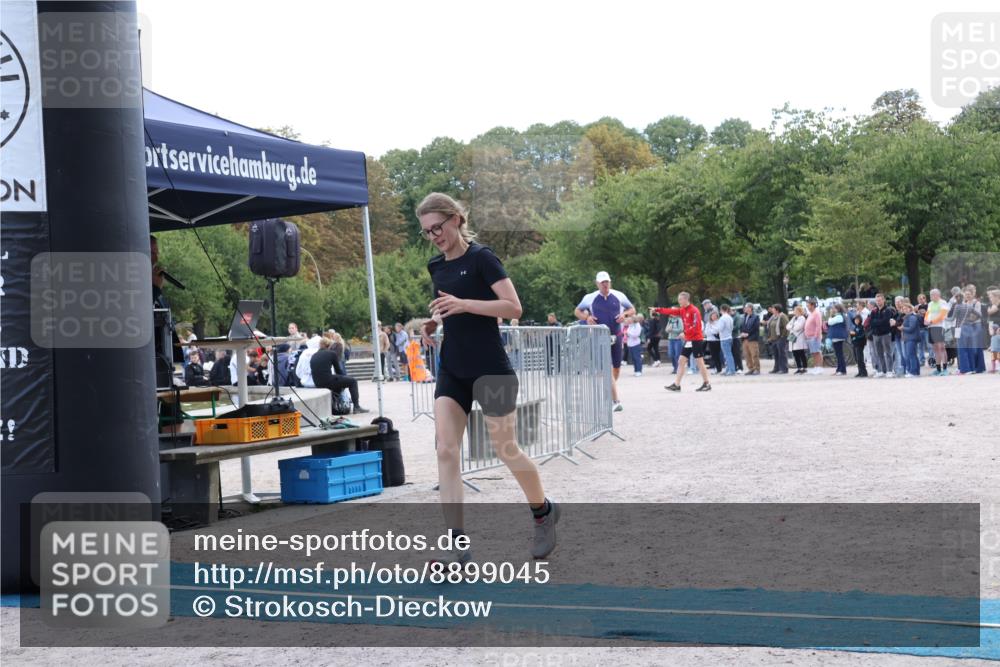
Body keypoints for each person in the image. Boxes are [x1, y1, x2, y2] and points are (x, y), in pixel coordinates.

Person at [418, 192, 558, 564]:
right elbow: (450, 310)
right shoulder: (436, 267)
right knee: (446, 450)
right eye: (427, 232)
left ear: (456, 219)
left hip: (491, 368)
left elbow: (513, 307)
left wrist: (464, 304)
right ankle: (457, 547)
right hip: (453, 368)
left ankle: (543, 512)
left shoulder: (482, 258)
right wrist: (433, 321)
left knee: (506, 449)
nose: (434, 236)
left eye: (438, 227)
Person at [575, 271, 636, 412]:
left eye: (607, 282)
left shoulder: (619, 295)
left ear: (610, 282)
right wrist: (587, 318)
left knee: (616, 368)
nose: (605, 285)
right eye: (602, 282)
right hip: (599, 336)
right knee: (607, 368)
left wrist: (624, 314)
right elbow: (577, 311)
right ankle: (616, 401)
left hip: (617, 335)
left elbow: (632, 309)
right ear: (597, 283)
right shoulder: (589, 298)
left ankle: (609, 391)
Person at [651, 292, 712, 392]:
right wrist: (658, 309)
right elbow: (670, 311)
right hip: (689, 340)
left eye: (680, 299)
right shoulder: (682, 310)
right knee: (681, 361)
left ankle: (706, 383)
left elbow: (697, 326)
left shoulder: (694, 310)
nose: (679, 301)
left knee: (700, 362)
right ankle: (677, 385)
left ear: (686, 299)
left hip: (696, 340)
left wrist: (685, 333)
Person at [311, 337, 368, 414]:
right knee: (353, 381)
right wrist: (345, 378)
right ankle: (356, 407)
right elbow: (338, 371)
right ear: (329, 346)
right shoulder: (331, 354)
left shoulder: (314, 355)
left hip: (317, 382)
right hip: (327, 381)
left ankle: (335, 406)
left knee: (338, 382)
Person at [868, 293, 897, 378]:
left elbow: (885, 321)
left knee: (888, 353)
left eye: (880, 300)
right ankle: (882, 371)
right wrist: (879, 322)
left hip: (885, 334)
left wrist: (877, 322)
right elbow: (871, 322)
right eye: (877, 301)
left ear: (883, 300)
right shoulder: (874, 311)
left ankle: (890, 370)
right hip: (876, 335)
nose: (878, 302)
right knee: (879, 353)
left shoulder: (888, 310)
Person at [924, 288, 950, 376]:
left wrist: (931, 321)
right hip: (931, 327)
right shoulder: (930, 304)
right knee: (935, 349)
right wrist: (925, 320)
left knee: (941, 347)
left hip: (939, 327)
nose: (931, 296)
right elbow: (927, 314)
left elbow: (942, 316)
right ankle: (938, 369)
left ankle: (945, 369)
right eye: (930, 295)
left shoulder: (943, 303)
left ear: (938, 295)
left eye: (933, 294)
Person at [900, 300, 921, 377]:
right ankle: (915, 371)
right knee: (911, 355)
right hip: (907, 339)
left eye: (906, 308)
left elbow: (911, 328)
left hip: (912, 339)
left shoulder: (912, 317)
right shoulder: (906, 317)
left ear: (910, 308)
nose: (904, 310)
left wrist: (903, 328)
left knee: (911, 355)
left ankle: (913, 372)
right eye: (903, 309)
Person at [767, 304, 790, 374]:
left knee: (782, 354)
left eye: (773, 308)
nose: (772, 309)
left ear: (777, 310)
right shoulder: (773, 317)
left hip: (781, 338)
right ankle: (776, 368)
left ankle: (784, 369)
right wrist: (770, 337)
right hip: (774, 339)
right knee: (776, 354)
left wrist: (782, 336)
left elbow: (787, 327)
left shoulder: (782, 316)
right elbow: (771, 327)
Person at [804, 298, 824, 375]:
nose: (807, 307)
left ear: (812, 305)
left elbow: (818, 325)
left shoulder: (816, 313)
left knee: (817, 352)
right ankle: (816, 367)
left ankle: (820, 368)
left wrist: (816, 336)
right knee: (813, 353)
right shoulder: (811, 313)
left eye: (808, 305)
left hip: (814, 337)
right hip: (809, 336)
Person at [739, 304, 761, 375]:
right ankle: (751, 369)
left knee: (754, 354)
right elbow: (742, 326)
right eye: (745, 308)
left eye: (746, 307)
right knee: (747, 355)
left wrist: (748, 333)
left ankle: (756, 369)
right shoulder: (744, 316)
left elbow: (755, 327)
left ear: (750, 308)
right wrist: (742, 333)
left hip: (752, 339)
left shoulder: (756, 317)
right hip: (744, 339)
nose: (745, 309)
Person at [827, 303, 848, 376]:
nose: (832, 310)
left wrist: (830, 315)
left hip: (838, 337)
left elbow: (830, 322)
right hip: (836, 337)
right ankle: (839, 369)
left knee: (839, 354)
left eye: (834, 308)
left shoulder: (839, 316)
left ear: (838, 309)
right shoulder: (838, 316)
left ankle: (842, 370)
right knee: (838, 354)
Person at [717, 305, 736, 376]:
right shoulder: (730, 317)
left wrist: (716, 329)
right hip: (729, 337)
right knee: (728, 354)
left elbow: (720, 328)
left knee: (727, 355)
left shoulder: (722, 318)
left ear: (721, 310)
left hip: (724, 338)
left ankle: (731, 370)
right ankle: (728, 369)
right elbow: (732, 328)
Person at [789, 305, 807, 374]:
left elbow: (798, 327)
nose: (794, 312)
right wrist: (792, 327)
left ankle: (804, 367)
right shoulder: (794, 318)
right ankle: (799, 367)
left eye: (795, 310)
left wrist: (792, 327)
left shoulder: (802, 318)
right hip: (793, 337)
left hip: (799, 338)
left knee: (801, 353)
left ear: (799, 311)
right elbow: (787, 326)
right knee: (795, 353)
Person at [987, 287, 1000, 373]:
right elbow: (990, 318)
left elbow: (990, 312)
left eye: (991, 297)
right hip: (994, 329)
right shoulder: (991, 306)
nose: (990, 299)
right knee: (994, 349)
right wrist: (990, 327)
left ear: (997, 297)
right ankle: (993, 366)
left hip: (998, 328)